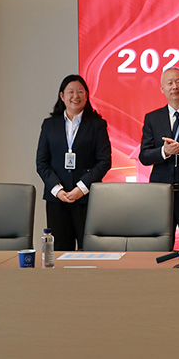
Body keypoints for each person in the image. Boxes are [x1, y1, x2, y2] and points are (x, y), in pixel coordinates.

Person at [36, 75, 112, 251]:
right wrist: (58, 190)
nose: (75, 96)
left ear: (86, 95)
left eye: (80, 92)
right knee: (60, 252)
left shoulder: (97, 125)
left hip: (87, 198)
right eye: (71, 92)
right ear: (62, 96)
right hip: (57, 200)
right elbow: (42, 163)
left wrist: (81, 189)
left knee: (90, 251)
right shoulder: (49, 125)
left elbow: (104, 161)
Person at [139, 67, 179, 247]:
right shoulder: (152, 118)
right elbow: (144, 156)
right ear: (162, 88)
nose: (174, 86)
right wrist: (164, 152)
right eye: (169, 83)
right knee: (160, 248)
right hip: (161, 193)